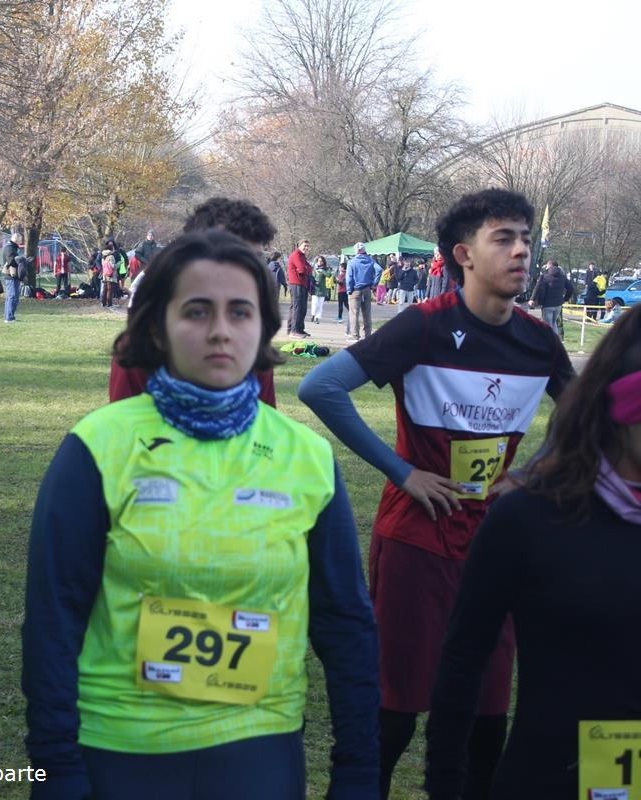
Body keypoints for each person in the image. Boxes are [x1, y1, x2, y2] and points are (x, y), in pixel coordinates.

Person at [23, 230, 379, 800]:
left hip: (259, 748)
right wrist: (55, 767)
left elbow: (346, 624)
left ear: (264, 327)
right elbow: (53, 620)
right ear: (157, 328)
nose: (220, 330)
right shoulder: (97, 446)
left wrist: (359, 771)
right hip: (119, 746)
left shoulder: (307, 458)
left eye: (240, 312)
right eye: (196, 311)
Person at [298, 189, 575, 800]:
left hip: (495, 544)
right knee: (395, 711)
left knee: (487, 719)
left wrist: (530, 474)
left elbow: (585, 417)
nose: (522, 251)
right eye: (504, 238)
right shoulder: (424, 325)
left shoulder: (539, 341)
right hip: (416, 537)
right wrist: (402, 472)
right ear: (464, 255)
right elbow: (320, 387)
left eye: (526, 239)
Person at [425, 306, 641, 800]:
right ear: (623, 411)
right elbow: (463, 661)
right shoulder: (529, 519)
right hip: (550, 777)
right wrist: (445, 787)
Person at [109, 197, 280, 407]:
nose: (247, 270)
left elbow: (266, 420)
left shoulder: (251, 340)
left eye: (256, 259)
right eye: (233, 256)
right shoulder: (141, 345)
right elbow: (124, 421)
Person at [528, 260, 574, 336]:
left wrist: (532, 299)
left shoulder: (544, 276)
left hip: (547, 304)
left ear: (549, 265)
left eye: (546, 266)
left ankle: (548, 342)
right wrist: (565, 299)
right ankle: (555, 340)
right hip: (558, 304)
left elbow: (537, 288)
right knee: (554, 323)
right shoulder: (562, 276)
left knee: (547, 325)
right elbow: (571, 289)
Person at [346, 242, 381, 341]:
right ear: (364, 250)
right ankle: (368, 336)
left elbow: (349, 278)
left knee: (354, 314)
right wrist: (374, 284)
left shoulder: (352, 262)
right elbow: (379, 270)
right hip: (367, 289)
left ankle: (355, 335)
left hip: (355, 290)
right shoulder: (370, 260)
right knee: (367, 314)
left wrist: (349, 290)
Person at [286, 238, 311, 337]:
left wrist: (307, 268)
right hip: (296, 283)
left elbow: (309, 268)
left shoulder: (302, 256)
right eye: (305, 246)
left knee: (302, 307)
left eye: (308, 246)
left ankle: (299, 329)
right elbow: (302, 269)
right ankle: (294, 331)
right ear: (299, 246)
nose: (306, 248)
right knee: (297, 307)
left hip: (302, 284)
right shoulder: (296, 255)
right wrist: (306, 268)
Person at [0, 232, 23, 322]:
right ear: (16, 239)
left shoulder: (12, 247)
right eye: (20, 239)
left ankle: (9, 316)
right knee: (12, 296)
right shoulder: (10, 248)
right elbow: (11, 261)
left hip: (13, 275)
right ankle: (9, 318)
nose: (21, 241)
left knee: (11, 296)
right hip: (11, 275)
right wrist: (21, 261)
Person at [310, 255, 329, 324]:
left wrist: (322, 271)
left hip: (322, 289)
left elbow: (329, 275)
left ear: (323, 262)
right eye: (318, 261)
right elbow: (311, 277)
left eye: (321, 261)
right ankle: (313, 314)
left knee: (320, 305)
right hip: (315, 289)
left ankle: (317, 318)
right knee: (315, 303)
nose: (320, 262)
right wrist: (314, 282)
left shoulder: (325, 269)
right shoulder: (314, 269)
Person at [336, 256, 350, 332]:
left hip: (341, 291)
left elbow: (340, 282)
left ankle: (339, 318)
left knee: (340, 305)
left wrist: (337, 280)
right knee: (346, 304)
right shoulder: (347, 274)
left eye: (341, 267)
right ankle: (351, 313)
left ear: (343, 268)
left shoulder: (342, 275)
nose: (340, 268)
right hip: (346, 291)